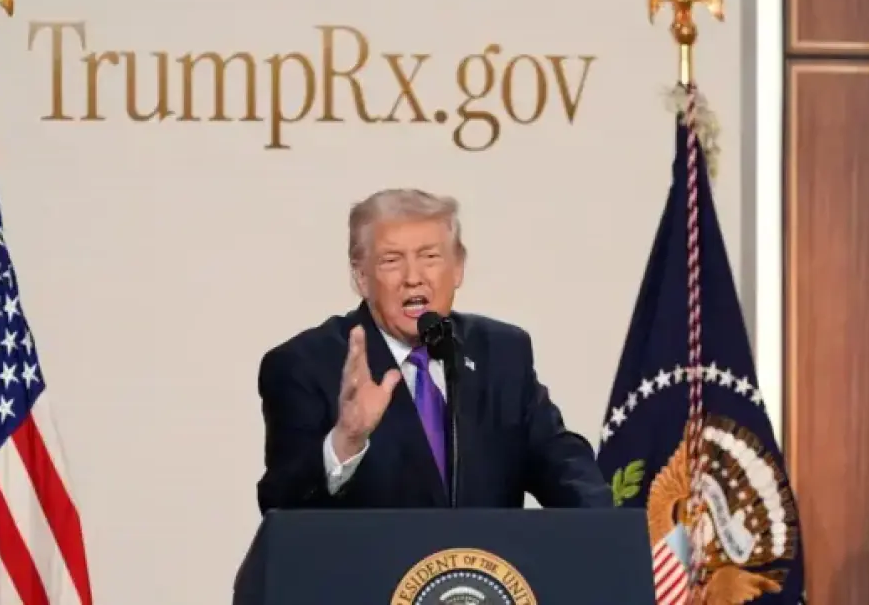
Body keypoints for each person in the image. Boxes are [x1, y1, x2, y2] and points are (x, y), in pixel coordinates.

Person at [255, 188, 611, 511]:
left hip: (484, 563)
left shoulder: (500, 352)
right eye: (391, 260)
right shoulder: (304, 365)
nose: (413, 277)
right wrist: (345, 441)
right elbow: (280, 504)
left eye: (430, 256)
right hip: (374, 564)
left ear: (457, 268)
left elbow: (559, 460)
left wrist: (609, 529)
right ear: (361, 278)